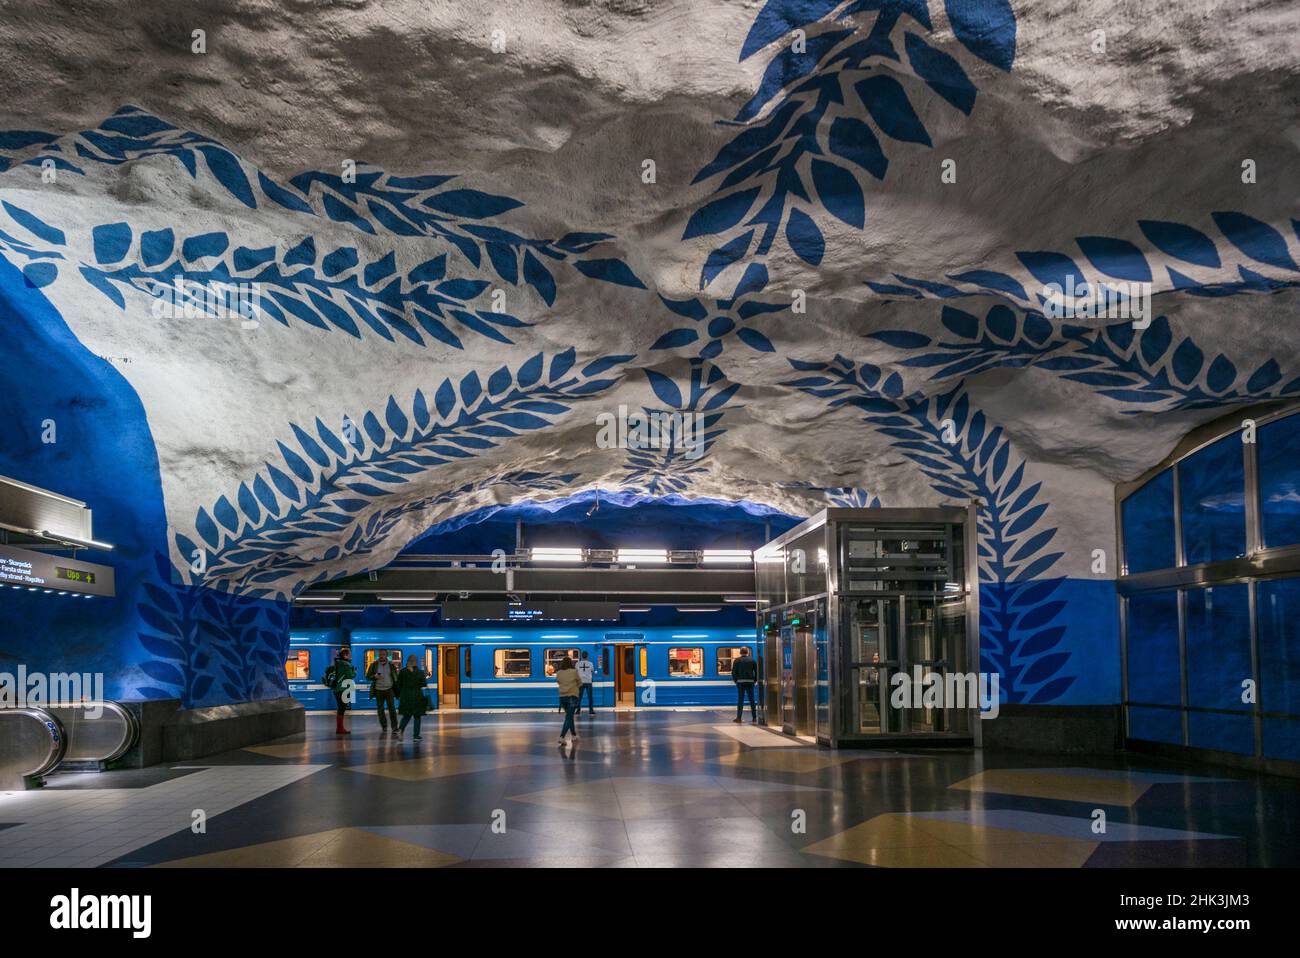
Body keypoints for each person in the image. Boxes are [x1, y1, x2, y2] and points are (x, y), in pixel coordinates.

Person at [394, 654, 428, 740]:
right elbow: (423, 684)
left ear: (408, 661)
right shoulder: (420, 672)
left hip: (405, 696)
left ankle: (400, 731)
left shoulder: (402, 672)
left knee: (406, 716)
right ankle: (416, 736)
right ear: (415, 662)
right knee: (417, 717)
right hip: (417, 696)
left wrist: (398, 695)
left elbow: (398, 684)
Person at [366, 650, 400, 734]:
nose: (381, 656)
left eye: (383, 654)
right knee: (380, 710)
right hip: (378, 690)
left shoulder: (392, 665)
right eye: (380, 654)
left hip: (389, 689)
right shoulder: (374, 665)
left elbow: (395, 677)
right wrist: (374, 676)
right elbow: (368, 677)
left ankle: (394, 727)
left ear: (386, 655)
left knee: (392, 709)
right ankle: (384, 726)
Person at [326, 647, 357, 736]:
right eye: (349, 654)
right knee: (342, 708)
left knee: (341, 708)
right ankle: (340, 728)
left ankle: (340, 727)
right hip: (342, 689)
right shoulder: (346, 665)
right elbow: (350, 675)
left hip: (337, 689)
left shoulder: (338, 663)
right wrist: (355, 671)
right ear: (345, 655)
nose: (351, 656)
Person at [554, 655, 580, 745]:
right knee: (569, 717)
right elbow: (580, 683)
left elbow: (558, 681)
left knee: (569, 716)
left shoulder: (559, 673)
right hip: (572, 696)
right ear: (571, 663)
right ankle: (562, 737)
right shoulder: (574, 672)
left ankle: (574, 735)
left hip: (562, 698)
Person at [731, 647, 759, 723]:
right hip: (750, 682)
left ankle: (739, 718)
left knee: (740, 700)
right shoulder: (752, 660)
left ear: (740, 652)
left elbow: (733, 672)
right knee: (752, 700)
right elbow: (757, 672)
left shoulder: (737, 660)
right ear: (747, 652)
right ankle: (754, 718)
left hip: (740, 682)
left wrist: (736, 681)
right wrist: (754, 680)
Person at [574, 650, 596, 715]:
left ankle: (578, 710)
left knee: (579, 697)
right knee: (590, 697)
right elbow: (592, 670)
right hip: (588, 682)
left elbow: (576, 672)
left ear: (581, 656)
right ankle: (591, 710)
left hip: (580, 682)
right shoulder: (590, 663)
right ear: (587, 656)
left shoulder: (577, 664)